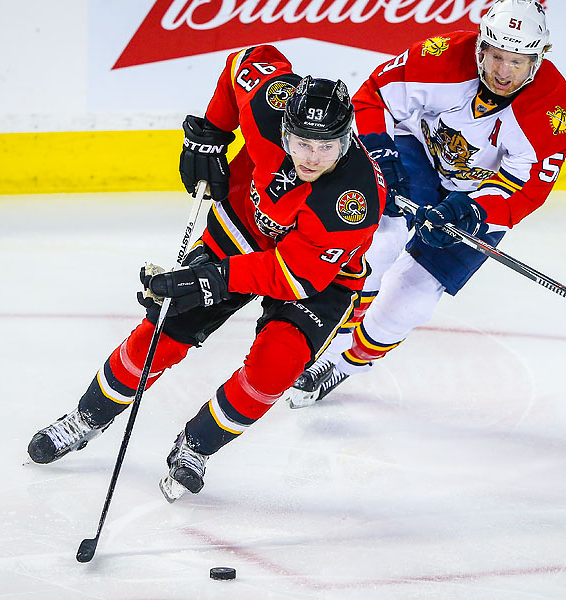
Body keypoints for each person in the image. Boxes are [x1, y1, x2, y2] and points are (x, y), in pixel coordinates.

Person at [27, 45, 384, 502]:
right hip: (243, 229)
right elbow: (247, 59)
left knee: (277, 367)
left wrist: (207, 280)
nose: (313, 158)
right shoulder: (270, 104)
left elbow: (292, 276)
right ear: (285, 131)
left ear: (347, 137)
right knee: (164, 330)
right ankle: (86, 417)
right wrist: (211, 133)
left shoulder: (353, 201)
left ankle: (196, 447)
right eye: (302, 144)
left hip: (315, 278)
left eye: (328, 147)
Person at [286, 0, 566, 407]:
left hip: (481, 194)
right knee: (381, 241)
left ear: (539, 59)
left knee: (411, 299)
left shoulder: (551, 110)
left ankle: (342, 365)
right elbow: (373, 97)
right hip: (417, 156)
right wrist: (381, 151)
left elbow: (527, 190)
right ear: (480, 48)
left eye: (517, 62)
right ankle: (335, 330)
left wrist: (474, 210)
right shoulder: (441, 57)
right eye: (495, 56)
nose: (503, 72)